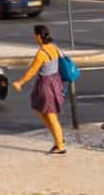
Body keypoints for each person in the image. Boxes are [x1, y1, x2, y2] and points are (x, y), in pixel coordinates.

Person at [10, 24, 66, 154]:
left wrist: (20, 82)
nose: (34, 37)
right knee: (42, 112)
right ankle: (58, 140)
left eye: (35, 35)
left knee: (51, 116)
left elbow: (32, 71)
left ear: (40, 36)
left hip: (46, 85)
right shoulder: (54, 47)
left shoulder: (42, 53)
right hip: (55, 82)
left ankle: (60, 145)